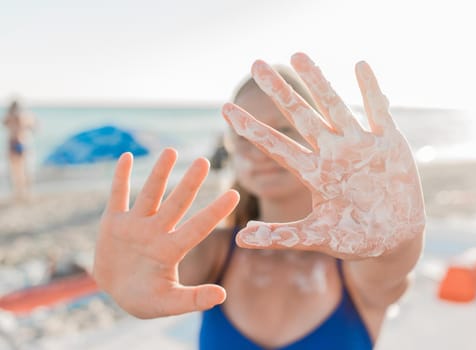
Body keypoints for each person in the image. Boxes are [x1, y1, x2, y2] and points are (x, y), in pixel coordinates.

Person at [93, 52, 425, 349]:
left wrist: (399, 238)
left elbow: (390, 262)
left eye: (283, 131)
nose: (264, 148)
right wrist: (128, 283)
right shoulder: (215, 251)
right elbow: (158, 277)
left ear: (321, 141)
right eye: (246, 134)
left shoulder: (358, 258)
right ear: (232, 150)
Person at [2, 100, 36, 201]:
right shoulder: (12, 117)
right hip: (15, 144)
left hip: (18, 144)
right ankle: (20, 192)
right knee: (17, 170)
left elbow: (33, 126)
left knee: (22, 169)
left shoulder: (20, 117)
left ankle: (24, 192)